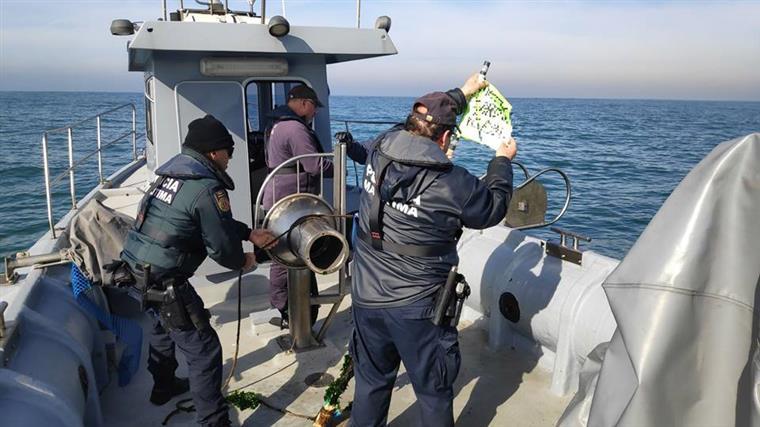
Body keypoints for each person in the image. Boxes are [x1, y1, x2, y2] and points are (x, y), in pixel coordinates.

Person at [347, 74, 518, 427]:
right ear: (445, 137)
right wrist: (502, 161)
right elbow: (492, 208)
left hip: (364, 295)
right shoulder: (454, 182)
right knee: (434, 393)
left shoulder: (380, 147)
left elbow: (411, 125)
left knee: (371, 383)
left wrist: (462, 93)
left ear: (411, 125)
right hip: (418, 308)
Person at [121, 115, 275, 427]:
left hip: (133, 271)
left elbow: (198, 220)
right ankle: (214, 422)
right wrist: (244, 260)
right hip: (165, 281)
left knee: (161, 331)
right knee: (204, 351)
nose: (231, 158)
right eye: (228, 151)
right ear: (213, 153)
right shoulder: (207, 189)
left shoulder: (172, 175)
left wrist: (248, 233)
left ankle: (162, 388)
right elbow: (221, 248)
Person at [262, 84, 332, 327]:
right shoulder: (295, 129)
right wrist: (336, 165)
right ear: (304, 103)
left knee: (280, 255)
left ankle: (284, 307)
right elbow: (315, 166)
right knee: (287, 256)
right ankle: (288, 311)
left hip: (279, 198)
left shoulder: (278, 124)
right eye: (314, 107)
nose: (314, 113)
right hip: (290, 203)